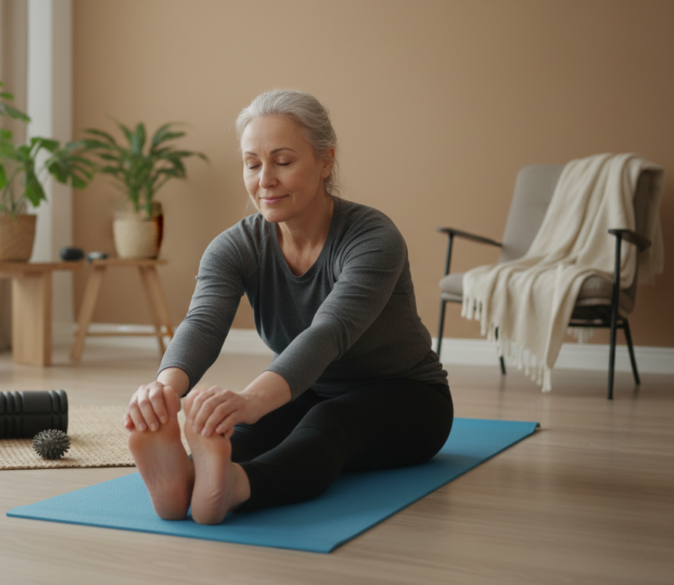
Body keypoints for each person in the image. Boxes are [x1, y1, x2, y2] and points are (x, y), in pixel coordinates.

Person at [124, 89, 453, 525]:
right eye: (252, 164)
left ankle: (235, 489)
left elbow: (328, 332)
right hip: (308, 385)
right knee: (245, 432)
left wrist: (250, 398)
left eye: (282, 161)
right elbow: (203, 322)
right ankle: (187, 479)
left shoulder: (372, 238)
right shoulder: (234, 247)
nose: (265, 180)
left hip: (407, 396)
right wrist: (164, 392)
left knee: (329, 424)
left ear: (325, 162)